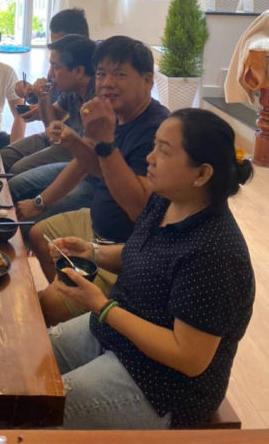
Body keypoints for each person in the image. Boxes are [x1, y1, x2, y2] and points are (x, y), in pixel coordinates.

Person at [48, 109, 254, 429]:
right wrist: (91, 251)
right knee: (36, 358)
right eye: (154, 145)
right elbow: (142, 254)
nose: (150, 157)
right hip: (119, 334)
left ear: (202, 174)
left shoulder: (215, 252)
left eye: (164, 150)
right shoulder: (165, 199)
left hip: (163, 387)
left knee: (46, 406)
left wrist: (102, 306)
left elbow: (189, 357)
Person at [25, 36, 169, 324]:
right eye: (102, 74)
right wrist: (75, 142)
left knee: (40, 308)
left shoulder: (157, 129)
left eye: (119, 74)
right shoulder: (116, 115)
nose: (107, 83)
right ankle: (74, 301)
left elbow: (138, 209)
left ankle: (80, 308)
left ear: (147, 80)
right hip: (95, 223)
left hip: (124, 248)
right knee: (39, 233)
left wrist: (104, 141)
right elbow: (98, 169)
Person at [2, 8, 92, 174]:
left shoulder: (93, 88)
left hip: (76, 149)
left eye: (61, 43)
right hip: (58, 138)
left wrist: (41, 104)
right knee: (4, 156)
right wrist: (39, 96)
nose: (50, 73)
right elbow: (52, 125)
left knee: (17, 169)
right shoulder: (68, 80)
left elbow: (87, 153)